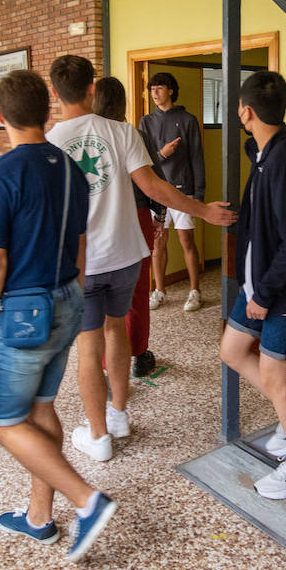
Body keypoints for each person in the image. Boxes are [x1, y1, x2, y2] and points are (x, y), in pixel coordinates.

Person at [46, 55, 234, 463]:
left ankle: (98, 437)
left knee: (87, 347)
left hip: (83, 264)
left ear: (55, 93)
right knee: (117, 331)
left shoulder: (52, 142)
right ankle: (118, 415)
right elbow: (155, 188)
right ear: (92, 89)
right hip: (127, 256)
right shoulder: (123, 131)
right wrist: (203, 211)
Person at [0, 69, 116, 563]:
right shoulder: (70, 169)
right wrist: (73, 288)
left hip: (22, 315)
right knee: (40, 410)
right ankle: (38, 518)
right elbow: (80, 244)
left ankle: (87, 502)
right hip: (67, 299)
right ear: (48, 112)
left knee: (0, 422)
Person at [219, 71, 286, 500]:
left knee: (273, 374)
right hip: (261, 283)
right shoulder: (264, 154)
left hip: (284, 292)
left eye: (240, 109)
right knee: (231, 350)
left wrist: (263, 295)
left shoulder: (281, 160)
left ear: (246, 111)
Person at [92, 77, 160, 378]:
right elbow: (152, 181)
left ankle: (107, 366)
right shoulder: (131, 133)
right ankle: (139, 354)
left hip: (97, 221)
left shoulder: (86, 135)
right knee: (137, 292)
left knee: (102, 299)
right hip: (138, 214)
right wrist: (160, 215)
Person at [139, 72, 207, 312]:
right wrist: (162, 154)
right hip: (156, 192)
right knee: (158, 243)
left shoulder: (188, 119)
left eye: (159, 87)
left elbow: (197, 157)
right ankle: (159, 291)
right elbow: (143, 159)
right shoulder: (146, 121)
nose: (154, 92)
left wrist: (199, 195)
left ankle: (195, 291)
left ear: (170, 90)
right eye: (152, 88)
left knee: (186, 240)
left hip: (183, 191)